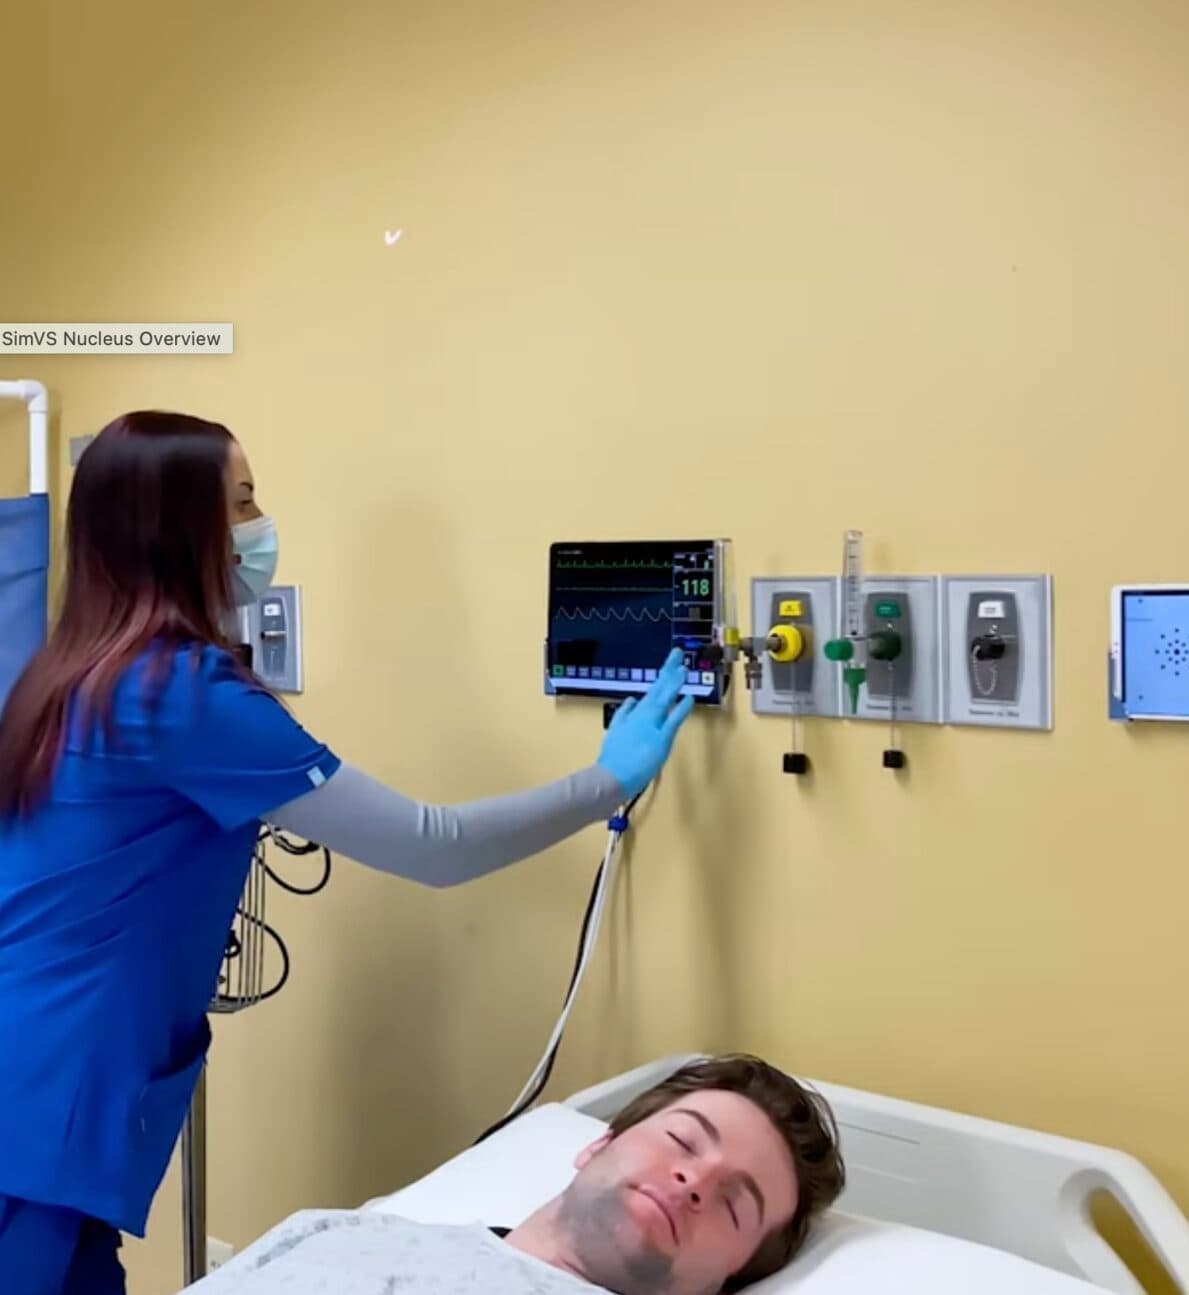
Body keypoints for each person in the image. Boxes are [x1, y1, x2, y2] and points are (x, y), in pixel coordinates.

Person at [0, 410, 697, 1295]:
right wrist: (608, 780)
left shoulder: (70, 671)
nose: (261, 526)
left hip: (33, 1070)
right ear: (178, 528)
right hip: (47, 1095)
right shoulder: (180, 692)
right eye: (243, 502)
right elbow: (431, 846)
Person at [188, 1054, 847, 1295]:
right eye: (681, 1140)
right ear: (597, 1145)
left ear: (720, 1283)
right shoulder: (334, 1232)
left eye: (735, 1205)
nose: (695, 1180)